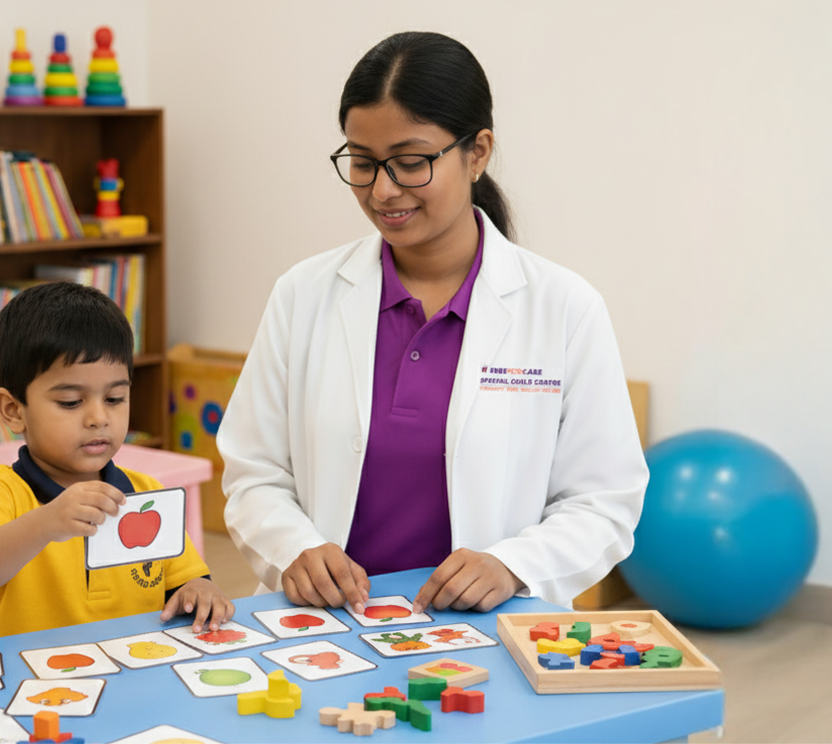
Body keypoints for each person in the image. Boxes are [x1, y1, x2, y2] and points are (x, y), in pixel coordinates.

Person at [218, 31, 647, 616]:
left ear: (477, 153)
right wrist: (295, 548)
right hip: (323, 626)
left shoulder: (564, 307)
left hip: (486, 628)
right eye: (363, 163)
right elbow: (254, 470)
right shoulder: (304, 294)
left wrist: (513, 565)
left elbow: (604, 500)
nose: (383, 190)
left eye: (411, 162)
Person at [0, 282, 234, 638]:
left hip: (133, 672)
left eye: (115, 398)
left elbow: (186, 581)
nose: (99, 418)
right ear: (13, 410)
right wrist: (46, 523)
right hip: (35, 683)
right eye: (71, 402)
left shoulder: (145, 495)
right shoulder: (0, 493)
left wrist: (199, 591)